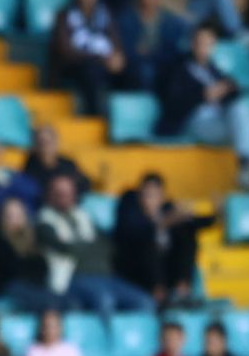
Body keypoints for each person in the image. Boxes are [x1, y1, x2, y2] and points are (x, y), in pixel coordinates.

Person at [155, 22, 249, 189]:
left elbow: (235, 95)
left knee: (242, 112)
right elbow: (172, 103)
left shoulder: (214, 70)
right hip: (194, 121)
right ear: (192, 43)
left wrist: (226, 88)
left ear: (213, 45)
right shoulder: (178, 68)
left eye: (207, 43)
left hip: (219, 121)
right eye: (199, 42)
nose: (203, 47)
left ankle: (248, 166)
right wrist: (202, 95)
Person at [38, 174, 155, 315]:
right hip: (73, 278)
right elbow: (68, 248)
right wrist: (89, 246)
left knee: (145, 302)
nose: (64, 197)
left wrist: (82, 246)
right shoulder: (44, 221)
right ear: (49, 195)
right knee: (105, 301)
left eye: (68, 193)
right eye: (59, 193)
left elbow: (107, 246)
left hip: (106, 276)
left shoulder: (83, 216)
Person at [112, 172, 208, 306]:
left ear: (162, 196)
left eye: (155, 195)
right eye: (147, 195)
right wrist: (162, 223)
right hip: (137, 273)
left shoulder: (168, 209)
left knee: (186, 234)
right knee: (149, 242)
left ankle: (182, 291)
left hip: (167, 272)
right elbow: (132, 235)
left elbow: (194, 222)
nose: (150, 200)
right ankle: (159, 296)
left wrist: (216, 215)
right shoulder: (130, 210)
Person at [49, 0, 124, 116]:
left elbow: (116, 43)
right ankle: (95, 117)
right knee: (90, 71)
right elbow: (66, 52)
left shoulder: (106, 14)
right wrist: (100, 59)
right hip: (75, 69)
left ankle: (129, 119)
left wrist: (118, 58)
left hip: (103, 67)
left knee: (133, 71)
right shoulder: (64, 15)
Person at [116, 0, 187, 93]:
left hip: (163, 66)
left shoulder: (171, 22)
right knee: (146, 71)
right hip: (136, 69)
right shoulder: (126, 20)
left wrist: (149, 53)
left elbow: (172, 50)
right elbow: (127, 51)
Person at [0, 197, 54, 311]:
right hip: (7, 288)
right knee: (46, 302)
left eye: (18, 216)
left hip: (33, 287)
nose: (14, 220)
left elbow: (43, 268)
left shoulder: (34, 239)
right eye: (10, 216)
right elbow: (10, 271)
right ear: (2, 218)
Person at [23, 122, 92, 198]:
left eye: (48, 142)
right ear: (35, 146)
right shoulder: (30, 166)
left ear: (56, 142)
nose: (45, 147)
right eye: (41, 143)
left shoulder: (67, 164)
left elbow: (85, 183)